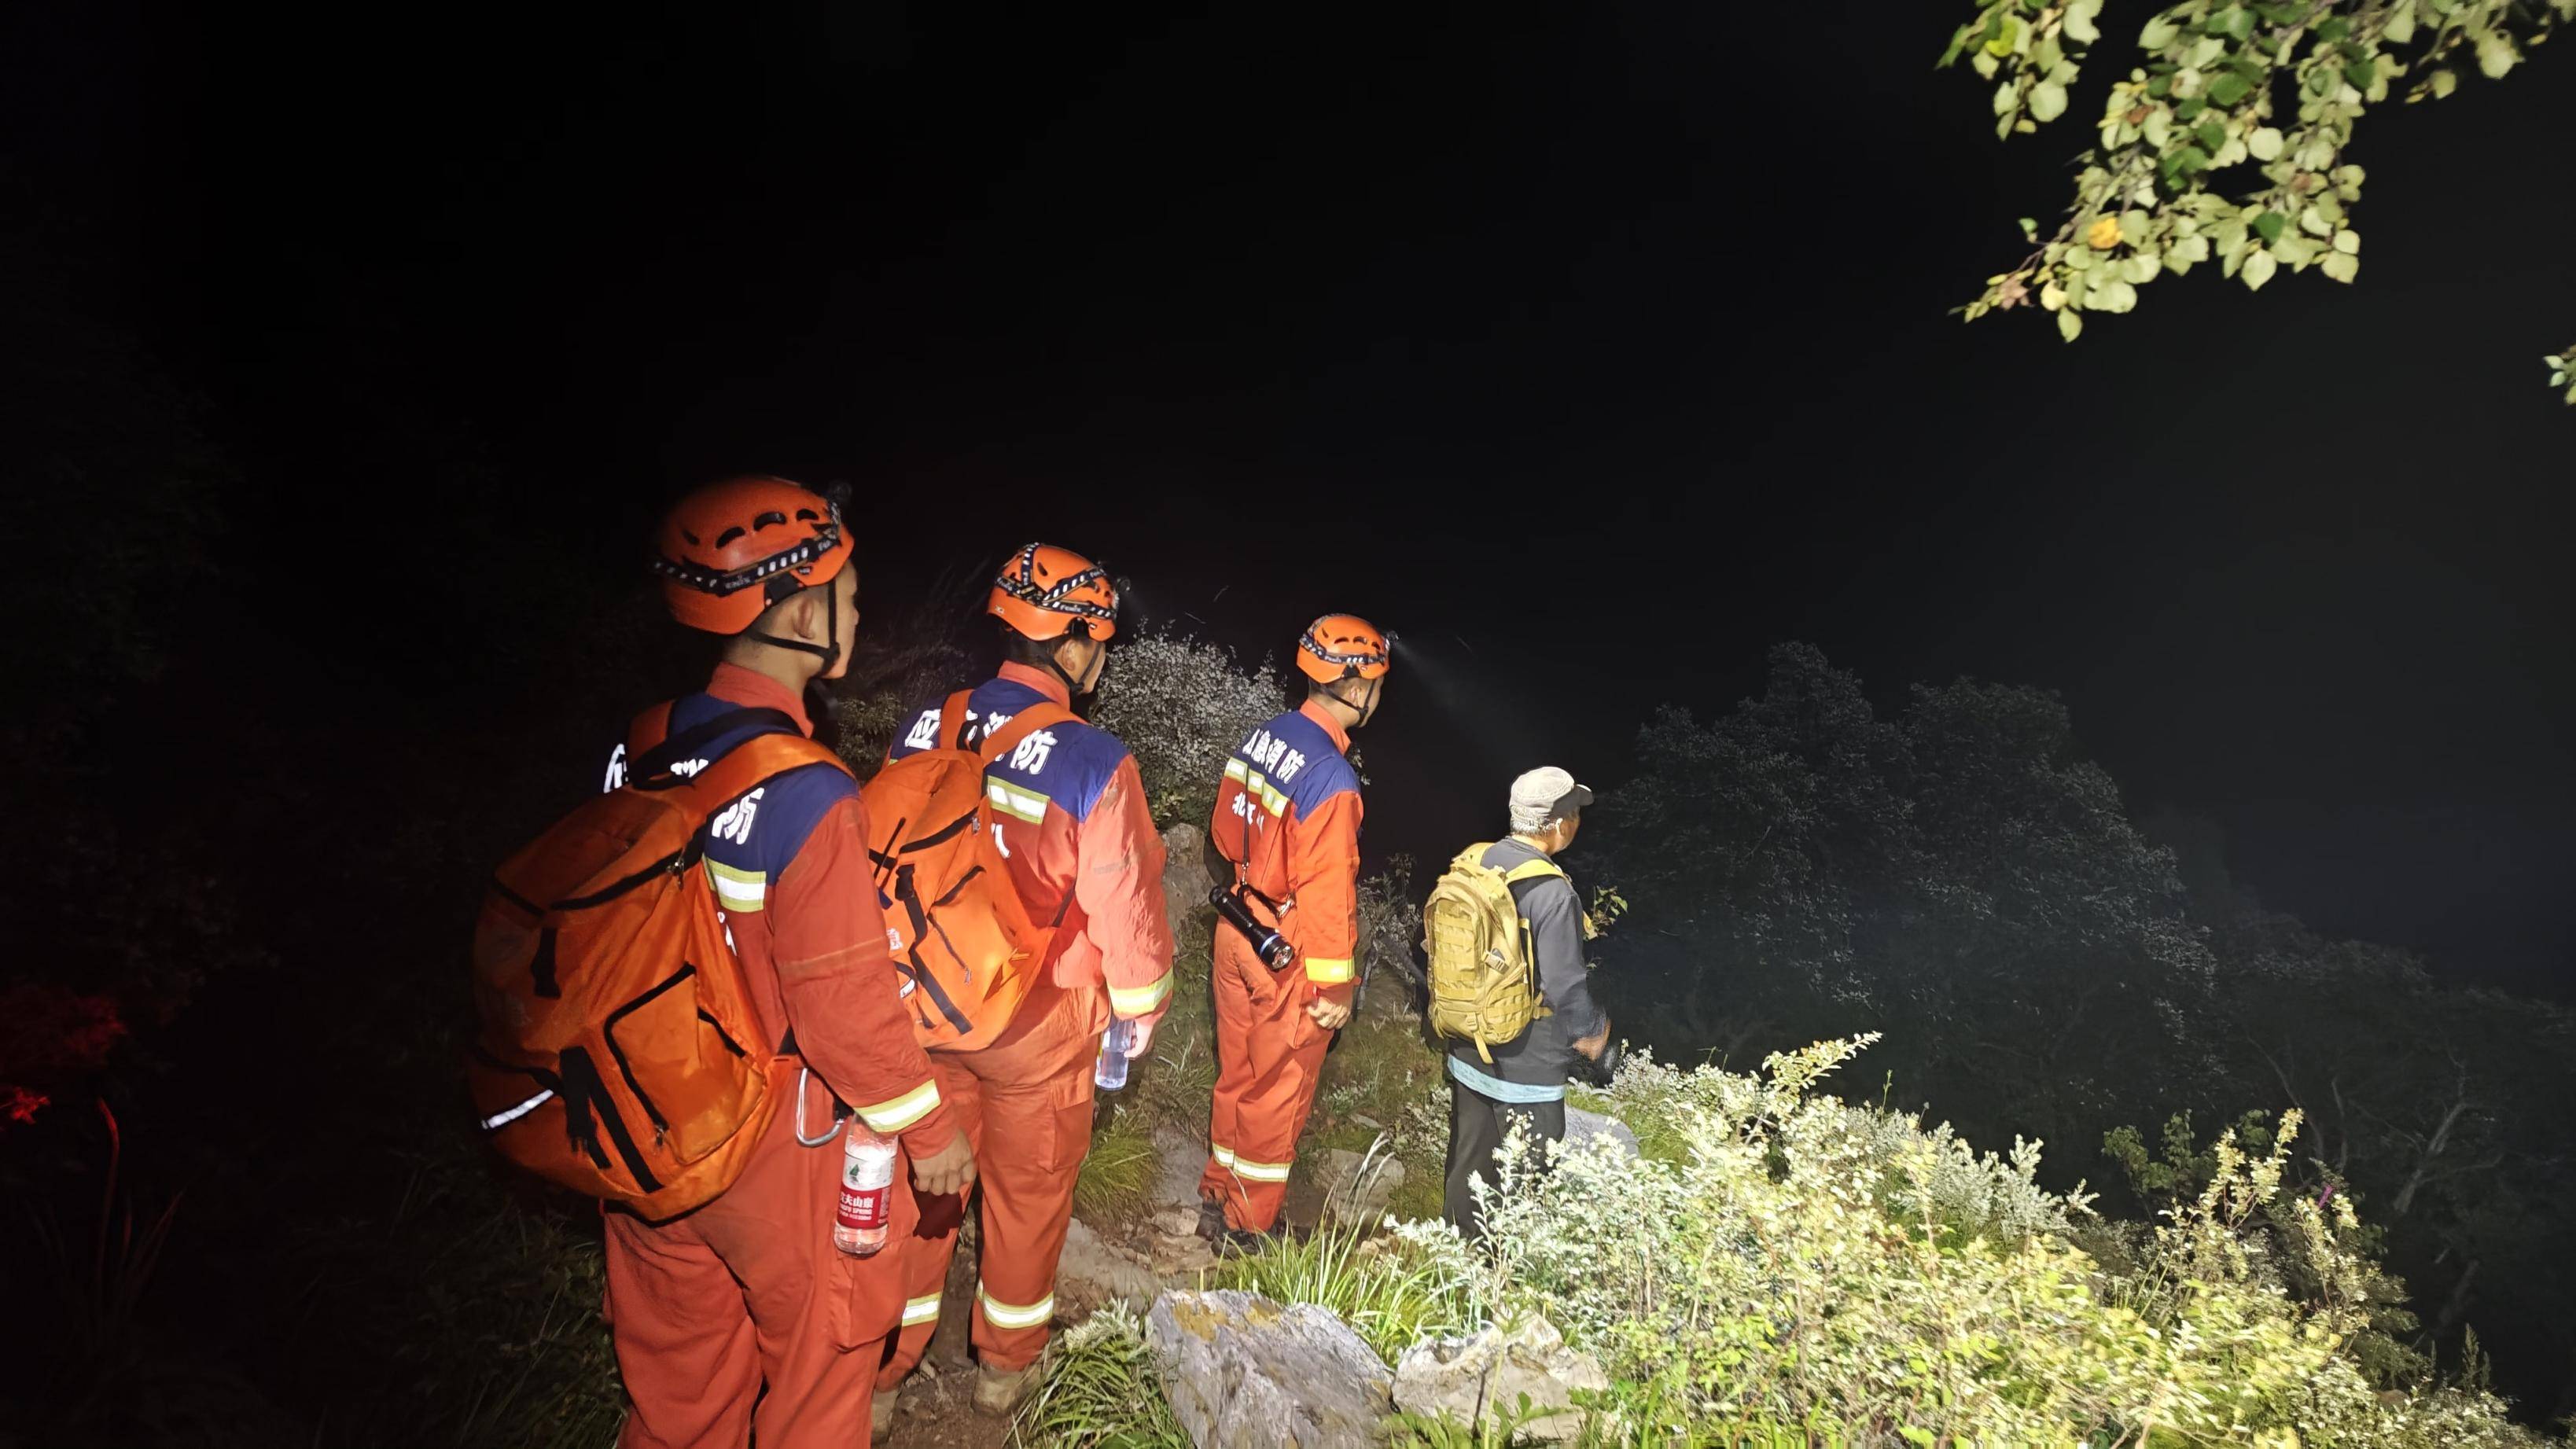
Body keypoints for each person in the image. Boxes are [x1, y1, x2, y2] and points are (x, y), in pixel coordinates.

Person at [603, 476, 977, 1449]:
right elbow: (842, 1008)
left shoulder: (636, 745)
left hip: (643, 1114)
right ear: (805, 609)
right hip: (772, 1138)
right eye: (848, 596)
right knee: (818, 1375)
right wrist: (931, 1130)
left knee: (677, 1396)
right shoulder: (809, 791)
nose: (856, 613)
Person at [872, 542, 1175, 1420]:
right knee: (1029, 1197)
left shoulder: (924, 724)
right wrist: (1139, 1009)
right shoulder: (1092, 760)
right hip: (1035, 1022)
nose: (1102, 661)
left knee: (919, 1192)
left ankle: (881, 1375)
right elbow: (1128, 912)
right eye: (1101, 644)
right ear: (1073, 644)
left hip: (920, 997)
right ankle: (1005, 1369)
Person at [1198, 613, 1389, 1251]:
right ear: (1356, 688)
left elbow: (1224, 829)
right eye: (1377, 685)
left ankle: (1213, 1193)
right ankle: (1246, 1225)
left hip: (1236, 922)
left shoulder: (1263, 737)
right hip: (1286, 947)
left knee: (1237, 1072)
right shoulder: (1332, 778)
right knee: (1277, 1090)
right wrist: (1335, 985)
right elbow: (1329, 887)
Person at [1441, 766, 1610, 1245]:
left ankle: (1457, 1261)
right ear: (1556, 825)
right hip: (1526, 1070)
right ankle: (1508, 1286)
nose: (1576, 821)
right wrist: (1593, 1033)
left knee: (1469, 1168)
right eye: (1573, 813)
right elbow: (1564, 988)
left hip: (1469, 1048)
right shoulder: (1554, 893)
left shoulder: (1480, 862)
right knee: (1525, 1185)